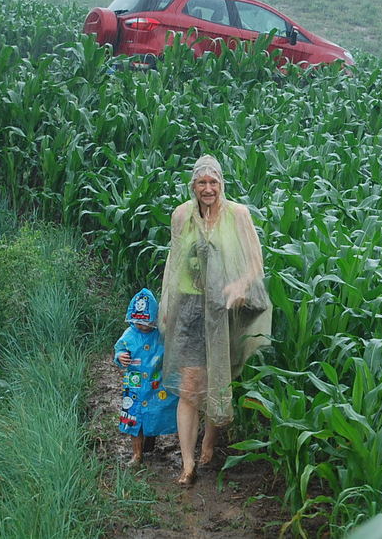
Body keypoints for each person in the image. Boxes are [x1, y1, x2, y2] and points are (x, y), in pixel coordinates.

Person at [160, 154, 272, 486]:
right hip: (191, 308)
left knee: (216, 378)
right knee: (190, 383)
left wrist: (240, 284)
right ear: (192, 185)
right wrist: (167, 302)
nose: (208, 189)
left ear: (221, 184)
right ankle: (188, 461)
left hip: (225, 306)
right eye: (201, 183)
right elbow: (174, 261)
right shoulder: (181, 215)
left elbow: (255, 262)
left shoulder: (238, 214)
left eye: (213, 182)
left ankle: (209, 442)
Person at [113, 288, 179, 466]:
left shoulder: (159, 334)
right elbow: (119, 350)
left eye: (147, 322)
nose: (142, 326)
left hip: (156, 385)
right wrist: (121, 356)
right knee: (134, 420)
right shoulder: (129, 334)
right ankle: (137, 454)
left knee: (155, 413)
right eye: (138, 322)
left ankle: (150, 441)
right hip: (135, 387)